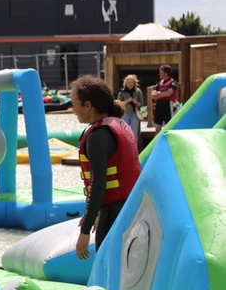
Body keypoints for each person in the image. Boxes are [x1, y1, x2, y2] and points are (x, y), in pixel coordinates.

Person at [71, 75, 141, 260]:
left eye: (75, 104)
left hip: (113, 215)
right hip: (130, 210)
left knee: (107, 268)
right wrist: (92, 215)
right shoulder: (119, 125)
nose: (73, 110)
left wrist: (85, 231)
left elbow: (99, 185)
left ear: (88, 105)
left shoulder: (98, 135)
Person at [116, 74, 144, 147]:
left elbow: (142, 103)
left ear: (134, 83)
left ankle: (134, 149)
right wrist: (127, 101)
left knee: (134, 134)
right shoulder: (122, 92)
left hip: (135, 114)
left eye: (132, 82)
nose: (130, 84)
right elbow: (118, 104)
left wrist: (137, 102)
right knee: (124, 132)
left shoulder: (138, 91)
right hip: (125, 114)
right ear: (126, 83)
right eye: (129, 82)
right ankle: (125, 148)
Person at [148, 64, 178, 133]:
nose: (159, 74)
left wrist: (159, 94)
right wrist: (160, 94)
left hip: (168, 105)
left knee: (169, 126)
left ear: (166, 73)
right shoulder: (159, 83)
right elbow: (153, 94)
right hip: (159, 106)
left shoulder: (173, 82)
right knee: (157, 126)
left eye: (161, 72)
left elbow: (169, 93)